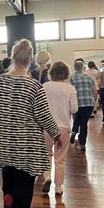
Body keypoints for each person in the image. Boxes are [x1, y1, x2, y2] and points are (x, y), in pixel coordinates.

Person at [0, 39, 61, 208]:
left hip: (4, 144)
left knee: (8, 177)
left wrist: (0, 123)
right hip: (26, 147)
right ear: (30, 60)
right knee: (24, 187)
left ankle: (8, 201)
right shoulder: (34, 86)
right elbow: (44, 116)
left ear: (12, 57)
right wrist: (56, 134)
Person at [42, 62, 77, 195]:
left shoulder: (44, 86)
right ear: (66, 73)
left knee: (47, 155)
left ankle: (47, 177)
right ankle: (58, 187)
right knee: (60, 158)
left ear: (51, 73)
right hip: (63, 127)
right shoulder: (70, 89)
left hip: (46, 126)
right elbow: (74, 109)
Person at [70, 61, 96, 151]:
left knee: (76, 118)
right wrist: (94, 101)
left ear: (74, 67)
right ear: (83, 67)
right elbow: (94, 91)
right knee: (84, 123)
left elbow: (71, 92)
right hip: (89, 103)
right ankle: (82, 144)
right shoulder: (88, 77)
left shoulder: (72, 78)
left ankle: (74, 131)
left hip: (77, 102)